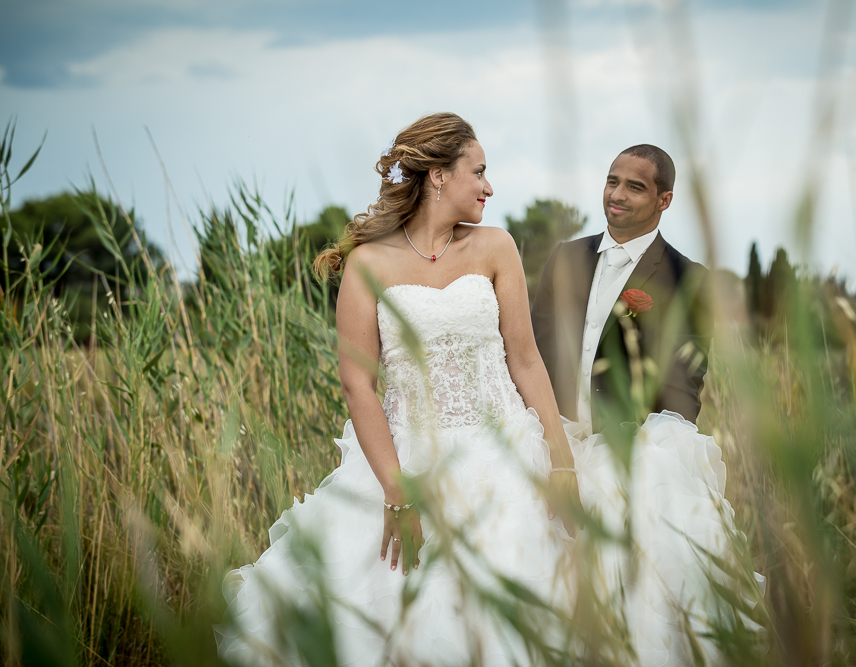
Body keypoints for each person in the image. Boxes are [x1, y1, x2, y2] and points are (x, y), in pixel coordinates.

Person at [215, 113, 760, 666]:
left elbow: (526, 360)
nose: (489, 186)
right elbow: (358, 385)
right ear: (439, 178)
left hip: (504, 453)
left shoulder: (496, 246)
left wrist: (561, 460)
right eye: (479, 172)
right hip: (405, 457)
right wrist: (395, 487)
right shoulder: (367, 264)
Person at [531, 145, 712, 436]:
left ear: (664, 200)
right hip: (554, 439)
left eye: (635, 187)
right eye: (612, 182)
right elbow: (536, 352)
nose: (616, 195)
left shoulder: (689, 279)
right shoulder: (565, 258)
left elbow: (683, 386)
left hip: (634, 450)